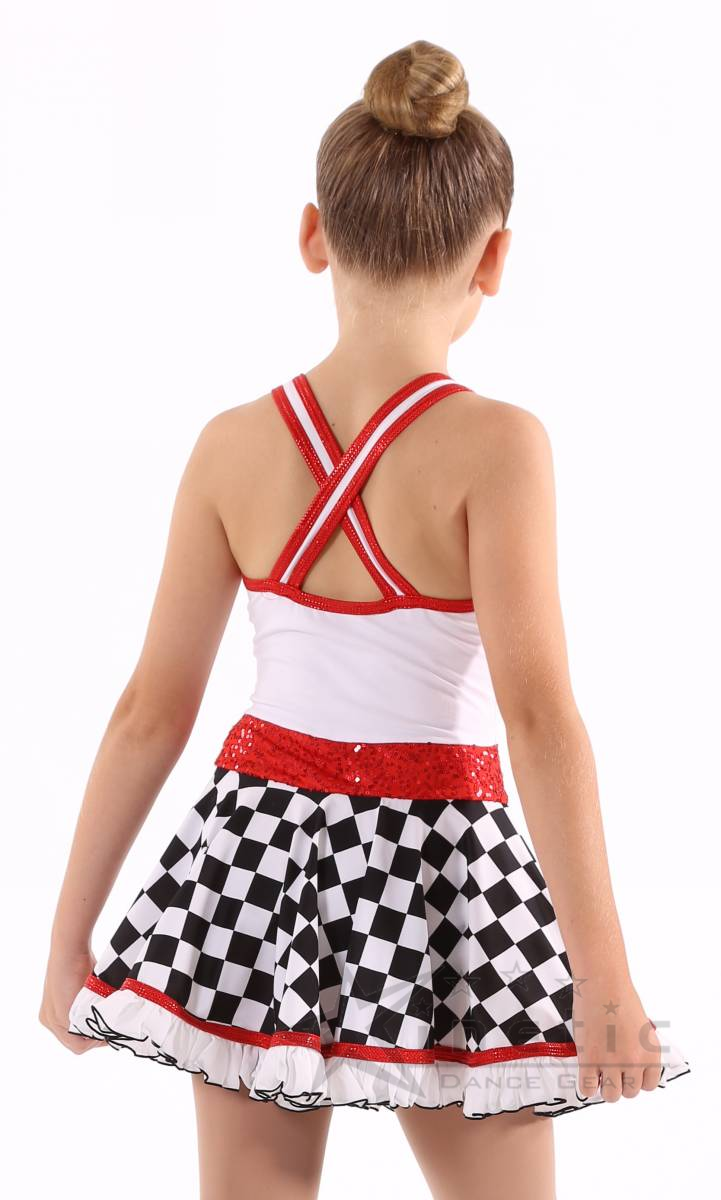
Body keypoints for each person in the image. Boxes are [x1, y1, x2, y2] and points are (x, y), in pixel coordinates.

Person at [39, 38, 689, 1200]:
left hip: (253, 855)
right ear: (494, 258)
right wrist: (600, 975)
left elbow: (149, 712)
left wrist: (65, 939)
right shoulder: (497, 447)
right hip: (443, 864)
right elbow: (541, 720)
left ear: (312, 234)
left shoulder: (231, 446)